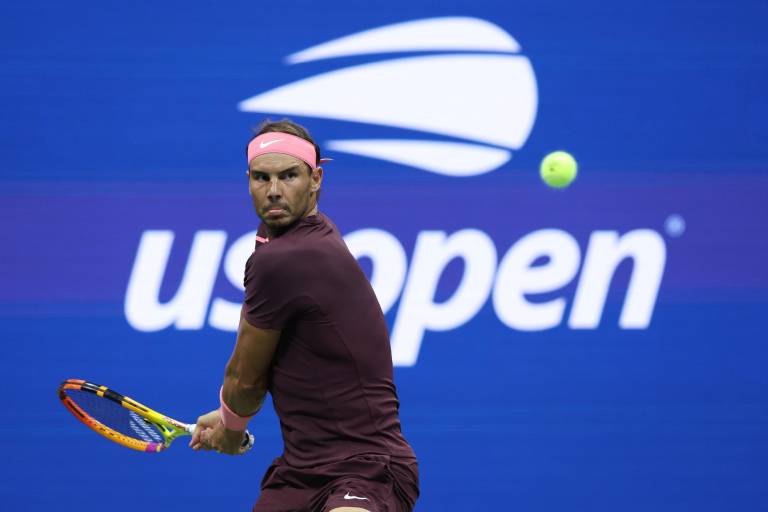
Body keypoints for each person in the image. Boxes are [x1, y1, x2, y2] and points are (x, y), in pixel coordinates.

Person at [190, 119, 419, 512]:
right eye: (261, 178)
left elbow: (245, 376)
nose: (274, 190)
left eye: (289, 176)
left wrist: (231, 428)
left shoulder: (287, 257)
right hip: (299, 474)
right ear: (248, 180)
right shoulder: (279, 243)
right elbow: (253, 370)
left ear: (315, 179)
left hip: (366, 469)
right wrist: (229, 415)